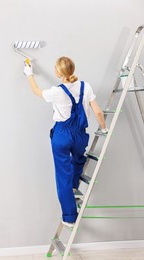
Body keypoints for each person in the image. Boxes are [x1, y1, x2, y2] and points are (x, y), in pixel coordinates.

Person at [23, 56, 108, 228]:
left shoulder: (56, 91)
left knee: (63, 176)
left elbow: (36, 91)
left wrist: (29, 73)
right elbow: (98, 112)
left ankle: (69, 217)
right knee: (78, 160)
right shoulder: (86, 86)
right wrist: (104, 128)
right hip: (80, 135)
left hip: (62, 135)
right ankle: (74, 188)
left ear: (58, 72)